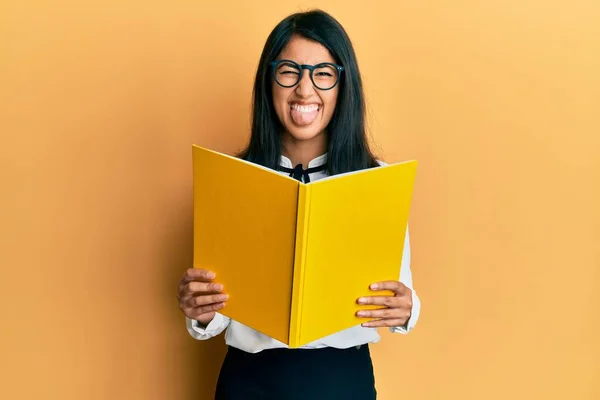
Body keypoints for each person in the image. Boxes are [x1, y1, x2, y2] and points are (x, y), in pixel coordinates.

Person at [177, 9, 421, 400]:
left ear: (343, 85)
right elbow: (216, 314)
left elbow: (400, 289)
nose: (305, 91)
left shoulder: (375, 179)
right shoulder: (233, 178)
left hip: (343, 380)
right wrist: (201, 309)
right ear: (268, 81)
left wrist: (407, 309)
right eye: (289, 71)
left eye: (323, 73)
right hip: (249, 381)